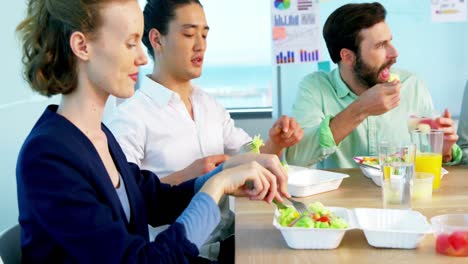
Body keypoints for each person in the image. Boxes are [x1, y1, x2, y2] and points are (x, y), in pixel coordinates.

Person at [15, 0, 290, 262]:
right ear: (81, 46)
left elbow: (156, 200)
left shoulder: (99, 137)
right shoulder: (47, 156)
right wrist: (216, 186)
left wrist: (226, 171)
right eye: (131, 43)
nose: (142, 58)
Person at [105, 0, 303, 261]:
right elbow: (128, 201)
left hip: (232, 241)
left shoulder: (209, 105)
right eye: (189, 34)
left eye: (205, 34)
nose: (201, 45)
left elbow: (250, 162)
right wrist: (191, 176)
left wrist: (276, 143)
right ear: (156, 39)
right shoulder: (130, 117)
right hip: (180, 253)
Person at [286, 2, 461, 169]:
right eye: (380, 46)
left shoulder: (411, 85)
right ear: (347, 56)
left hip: (401, 194)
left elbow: (433, 161)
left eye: (390, 42)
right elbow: (297, 159)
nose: (394, 53)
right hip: (340, 199)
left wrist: (443, 151)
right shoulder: (315, 87)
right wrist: (361, 108)